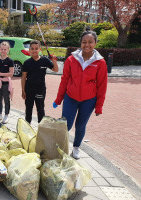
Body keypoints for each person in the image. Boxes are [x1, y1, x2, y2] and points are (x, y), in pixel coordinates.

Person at [53, 30, 108, 159]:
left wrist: (99, 106)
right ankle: (60, 147)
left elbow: (102, 86)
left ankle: (76, 147)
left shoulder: (100, 63)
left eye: (90, 42)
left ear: (95, 43)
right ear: (80, 43)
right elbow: (65, 80)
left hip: (89, 100)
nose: (87, 45)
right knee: (66, 124)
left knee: (80, 125)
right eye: (84, 42)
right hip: (70, 97)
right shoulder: (71, 59)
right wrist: (58, 99)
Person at [21, 40, 58, 124]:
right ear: (29, 50)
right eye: (32, 49)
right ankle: (27, 127)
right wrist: (23, 90)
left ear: (40, 49)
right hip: (29, 89)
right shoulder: (27, 63)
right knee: (28, 109)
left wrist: (54, 61)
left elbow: (55, 70)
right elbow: (23, 77)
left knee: (40, 109)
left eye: (36, 48)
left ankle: (41, 129)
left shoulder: (45, 60)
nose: (34, 50)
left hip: (40, 89)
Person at [0, 41, 14, 124]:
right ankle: (0, 114)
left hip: (6, 83)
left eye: (5, 49)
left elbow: (11, 73)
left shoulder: (10, 61)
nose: (3, 51)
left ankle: (6, 115)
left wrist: (1, 74)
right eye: (1, 49)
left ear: (8, 50)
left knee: (6, 100)